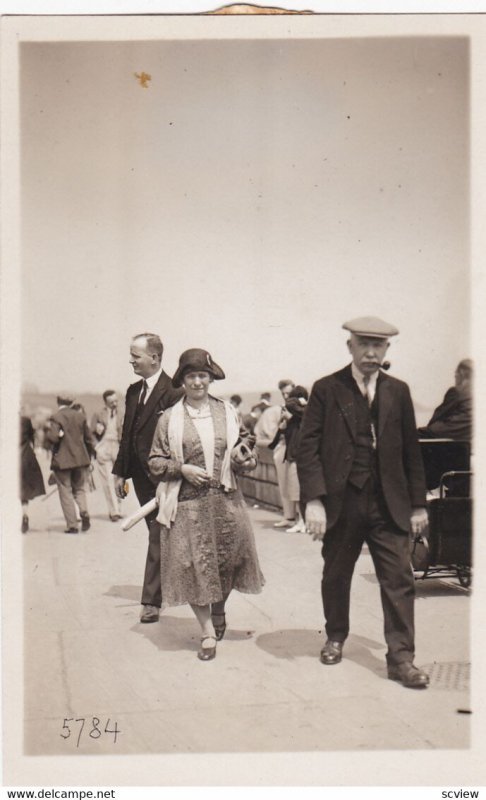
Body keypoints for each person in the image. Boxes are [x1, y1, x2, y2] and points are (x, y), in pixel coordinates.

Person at [297, 317, 429, 689]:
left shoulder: (398, 391)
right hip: (342, 502)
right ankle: (335, 636)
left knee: (399, 579)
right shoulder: (326, 389)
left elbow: (411, 452)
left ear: (387, 349)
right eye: (364, 345)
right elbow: (307, 448)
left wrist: (418, 504)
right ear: (350, 347)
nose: (371, 353)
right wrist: (314, 501)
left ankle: (402, 659)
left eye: (379, 346)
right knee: (336, 574)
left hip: (389, 503)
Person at [148, 348, 264, 661]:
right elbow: (155, 462)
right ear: (182, 381)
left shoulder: (227, 412)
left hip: (225, 499)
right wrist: (181, 469)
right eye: (191, 376)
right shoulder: (169, 419)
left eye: (203, 376)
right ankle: (207, 631)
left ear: (210, 378)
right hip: (186, 503)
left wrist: (244, 457)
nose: (198, 382)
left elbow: (242, 445)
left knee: (229, 562)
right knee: (193, 565)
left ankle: (220, 610)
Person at [113, 333, 183, 623]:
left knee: (158, 533)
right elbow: (128, 434)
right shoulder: (132, 392)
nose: (131, 360)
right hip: (141, 477)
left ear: (154, 357)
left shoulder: (175, 392)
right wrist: (120, 471)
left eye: (136, 355)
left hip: (164, 475)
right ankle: (169, 587)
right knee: (159, 533)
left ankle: (151, 600)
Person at [45, 393, 96, 534]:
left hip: (62, 461)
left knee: (65, 492)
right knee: (79, 489)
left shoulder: (56, 417)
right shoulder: (80, 416)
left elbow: (53, 438)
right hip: (80, 460)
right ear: (72, 403)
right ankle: (84, 512)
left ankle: (72, 525)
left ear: (58, 402)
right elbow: (89, 439)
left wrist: (57, 435)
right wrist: (90, 457)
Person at [418, 359, 473, 442]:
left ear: (461, 373)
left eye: (455, 374)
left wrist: (430, 428)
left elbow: (439, 415)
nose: (455, 377)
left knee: (414, 434)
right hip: (468, 433)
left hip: (452, 430)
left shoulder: (456, 391)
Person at [278, 385, 308, 533]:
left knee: (297, 492)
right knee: (296, 492)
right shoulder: (299, 417)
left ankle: (302, 522)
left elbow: (290, 404)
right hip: (296, 456)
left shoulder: (302, 416)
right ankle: (301, 521)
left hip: (297, 457)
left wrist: (299, 401)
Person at [91, 390, 124, 521]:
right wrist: (96, 447)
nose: (115, 404)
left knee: (120, 480)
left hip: (118, 447)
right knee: (108, 481)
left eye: (116, 401)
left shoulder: (123, 414)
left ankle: (119, 508)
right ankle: (113, 511)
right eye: (111, 402)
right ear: (105, 403)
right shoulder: (98, 415)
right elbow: (91, 433)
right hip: (104, 447)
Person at [20, 410, 46, 532]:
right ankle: (24, 514)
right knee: (23, 490)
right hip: (25, 456)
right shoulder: (25, 420)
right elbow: (31, 437)